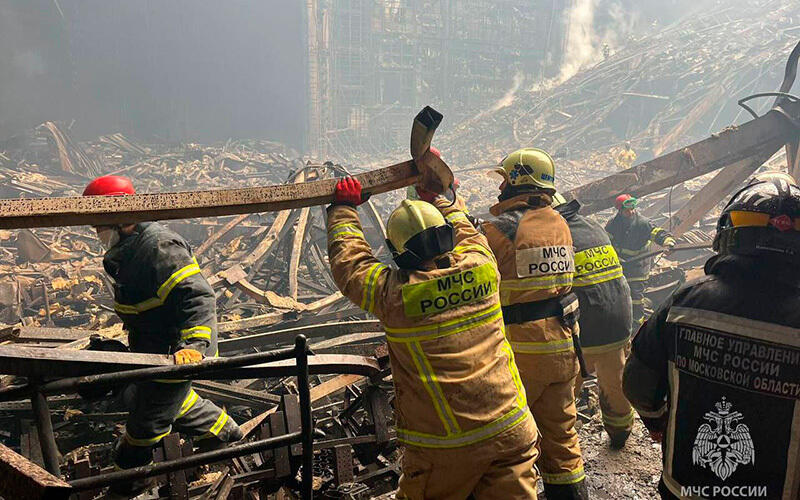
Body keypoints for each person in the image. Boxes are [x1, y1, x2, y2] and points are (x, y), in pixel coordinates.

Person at [327, 175, 539, 499]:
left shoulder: (395, 295)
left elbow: (351, 266)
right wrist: (439, 195)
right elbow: (465, 228)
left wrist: (343, 208)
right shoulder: (483, 263)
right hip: (511, 427)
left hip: (447, 448)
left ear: (397, 253)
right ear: (447, 236)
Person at [623, 173, 800, 499]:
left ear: (729, 232)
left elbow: (637, 381)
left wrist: (657, 421)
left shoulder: (685, 300)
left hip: (685, 488)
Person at [83, 176, 242, 497]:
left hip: (174, 353)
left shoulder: (158, 247)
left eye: (99, 224)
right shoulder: (127, 251)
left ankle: (130, 485)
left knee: (143, 428)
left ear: (120, 217)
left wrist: (194, 348)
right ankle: (226, 430)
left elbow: (197, 298)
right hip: (149, 350)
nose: (97, 232)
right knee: (154, 398)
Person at [480, 149, 588, 499]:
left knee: (512, 442)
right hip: (564, 344)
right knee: (561, 438)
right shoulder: (558, 223)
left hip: (522, 352)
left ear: (516, 181)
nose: (499, 191)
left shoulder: (498, 231)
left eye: (503, 182)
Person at [553, 193, 635, 449]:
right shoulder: (593, 227)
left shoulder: (556, 235)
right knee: (615, 382)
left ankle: (559, 441)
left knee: (564, 390)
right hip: (619, 322)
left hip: (586, 330)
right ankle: (620, 434)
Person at [605, 194, 676, 331]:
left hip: (639, 266)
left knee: (636, 296)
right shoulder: (613, 224)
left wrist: (668, 242)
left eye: (633, 209)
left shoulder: (643, 223)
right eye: (627, 210)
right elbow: (605, 241)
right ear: (619, 211)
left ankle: (636, 326)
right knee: (620, 294)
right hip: (621, 265)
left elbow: (658, 233)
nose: (631, 212)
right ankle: (622, 322)